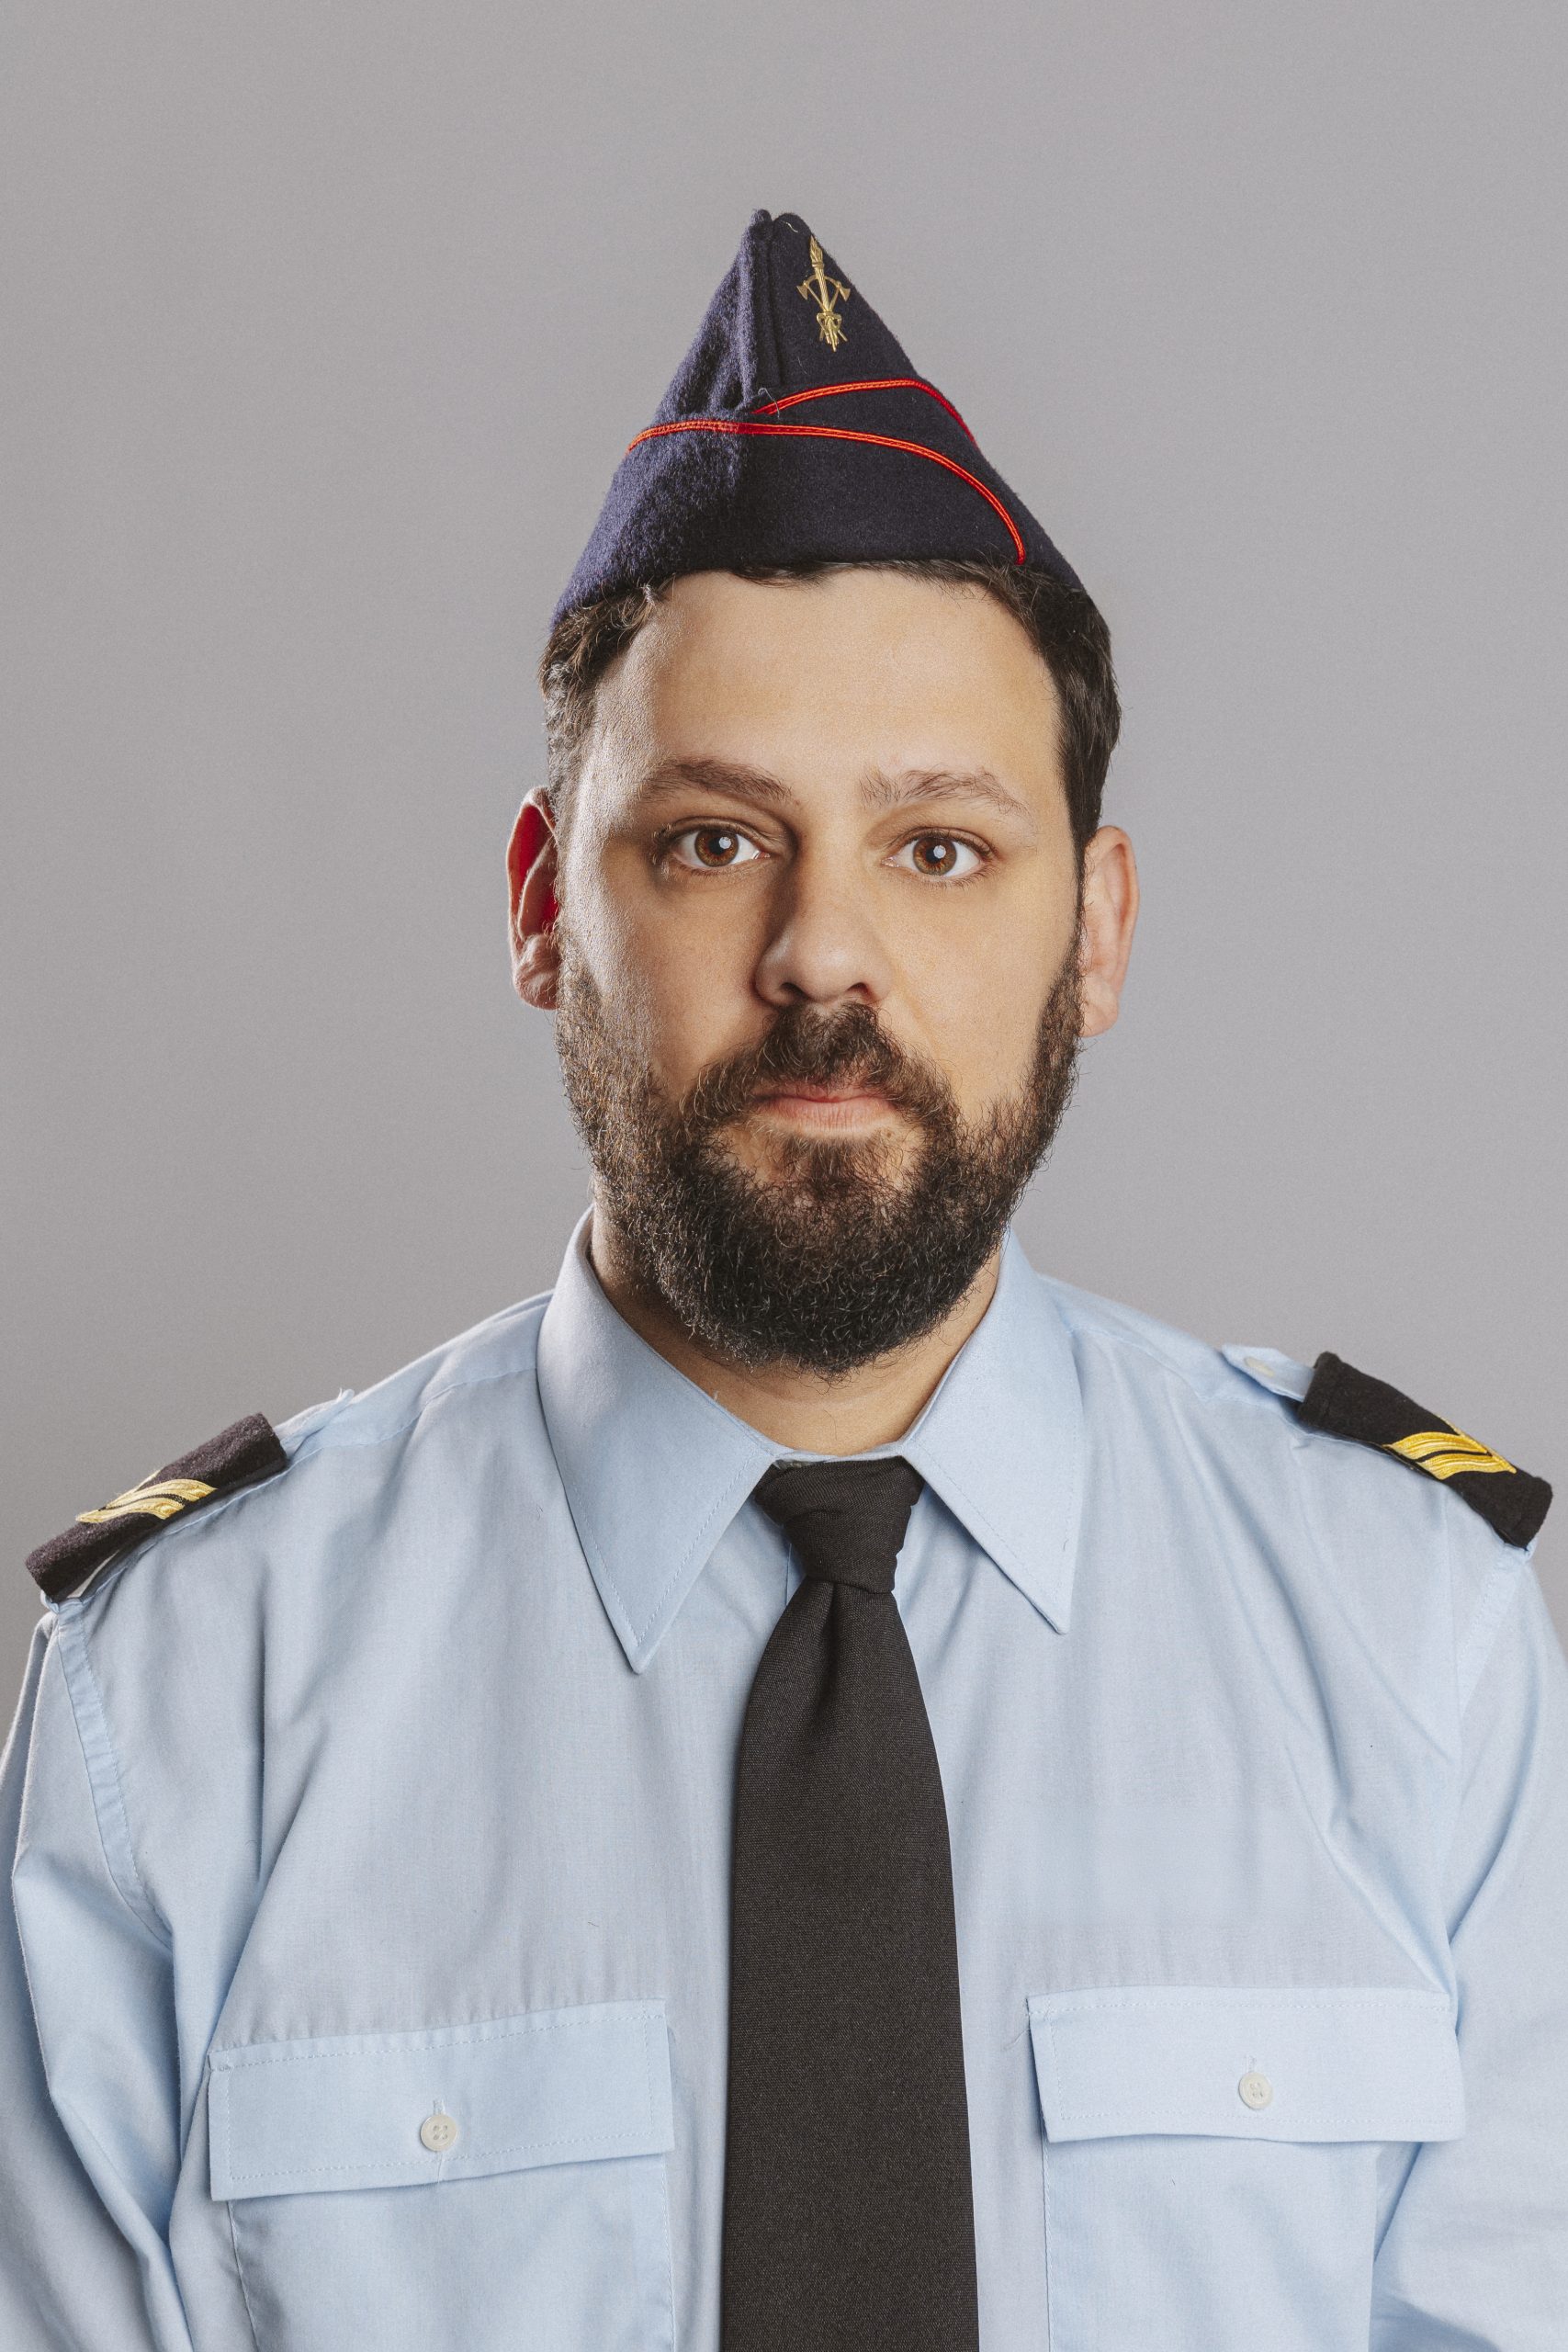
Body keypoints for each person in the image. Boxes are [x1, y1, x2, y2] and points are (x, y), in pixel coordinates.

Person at [2, 208, 1562, 2352]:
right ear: (543, 904)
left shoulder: (1411, 1639)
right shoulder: (190, 1690)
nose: (824, 951)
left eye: (939, 846)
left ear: (1095, 928)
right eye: (715, 838)